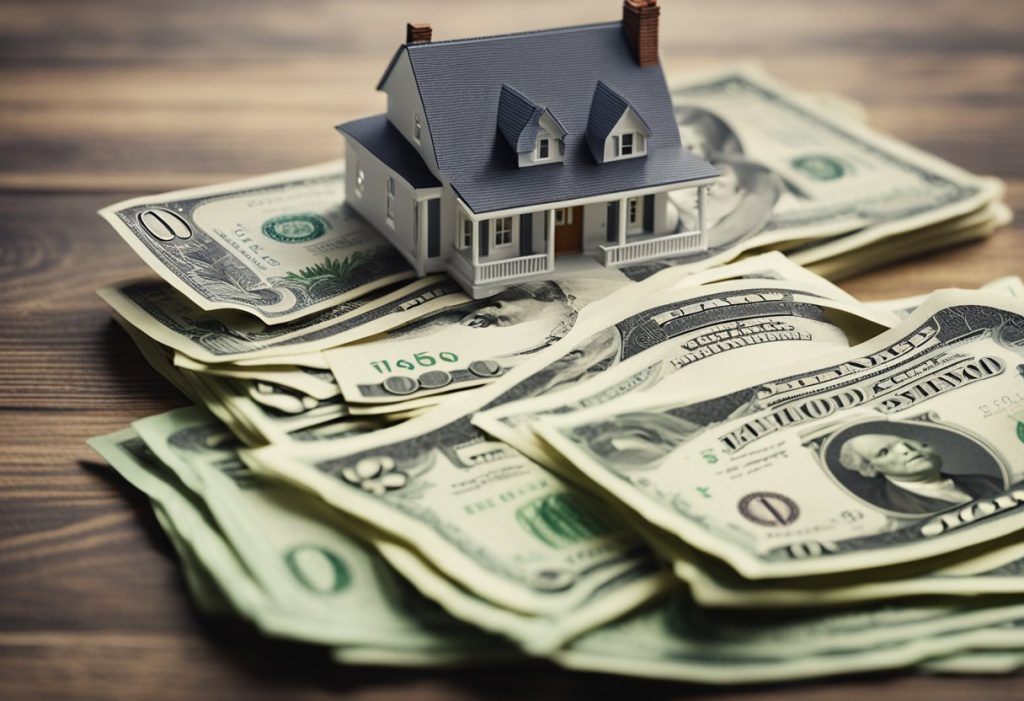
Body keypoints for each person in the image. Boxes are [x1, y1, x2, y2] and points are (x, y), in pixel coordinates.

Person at [836, 431, 1004, 515]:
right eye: (883, 452)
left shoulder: (986, 481)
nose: (906, 450)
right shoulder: (889, 510)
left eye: (905, 442)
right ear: (869, 469)